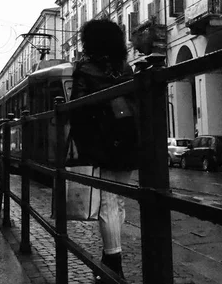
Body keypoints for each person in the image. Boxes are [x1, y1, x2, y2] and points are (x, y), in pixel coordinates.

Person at [69, 19, 140, 281]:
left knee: (108, 203)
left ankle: (113, 264)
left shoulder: (85, 69)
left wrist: (83, 146)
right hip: (130, 140)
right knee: (118, 201)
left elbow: (76, 110)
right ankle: (110, 256)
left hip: (104, 143)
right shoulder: (126, 67)